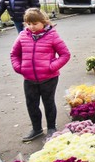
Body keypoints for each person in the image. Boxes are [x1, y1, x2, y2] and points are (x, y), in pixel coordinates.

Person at [10, 8, 71, 142]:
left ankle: (51, 128)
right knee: (31, 104)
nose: (32, 27)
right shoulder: (22, 36)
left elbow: (65, 54)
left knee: (48, 102)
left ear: (44, 22)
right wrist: (19, 68)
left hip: (49, 78)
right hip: (29, 78)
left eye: (35, 23)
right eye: (29, 23)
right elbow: (14, 54)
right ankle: (36, 129)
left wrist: (52, 67)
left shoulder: (52, 36)